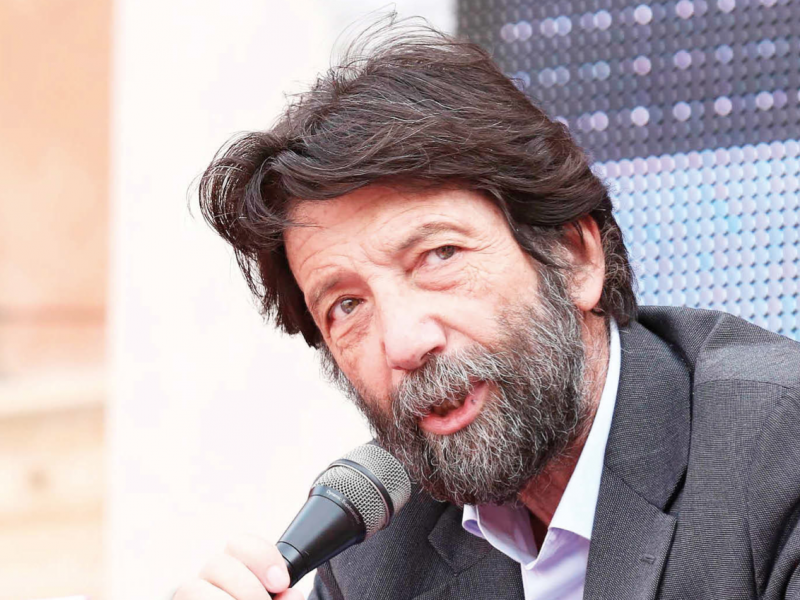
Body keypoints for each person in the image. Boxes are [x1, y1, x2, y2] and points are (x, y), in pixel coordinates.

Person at [175, 20, 800, 600]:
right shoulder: (374, 559)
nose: (404, 342)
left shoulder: (781, 452)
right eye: (346, 305)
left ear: (575, 257)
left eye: (439, 255)